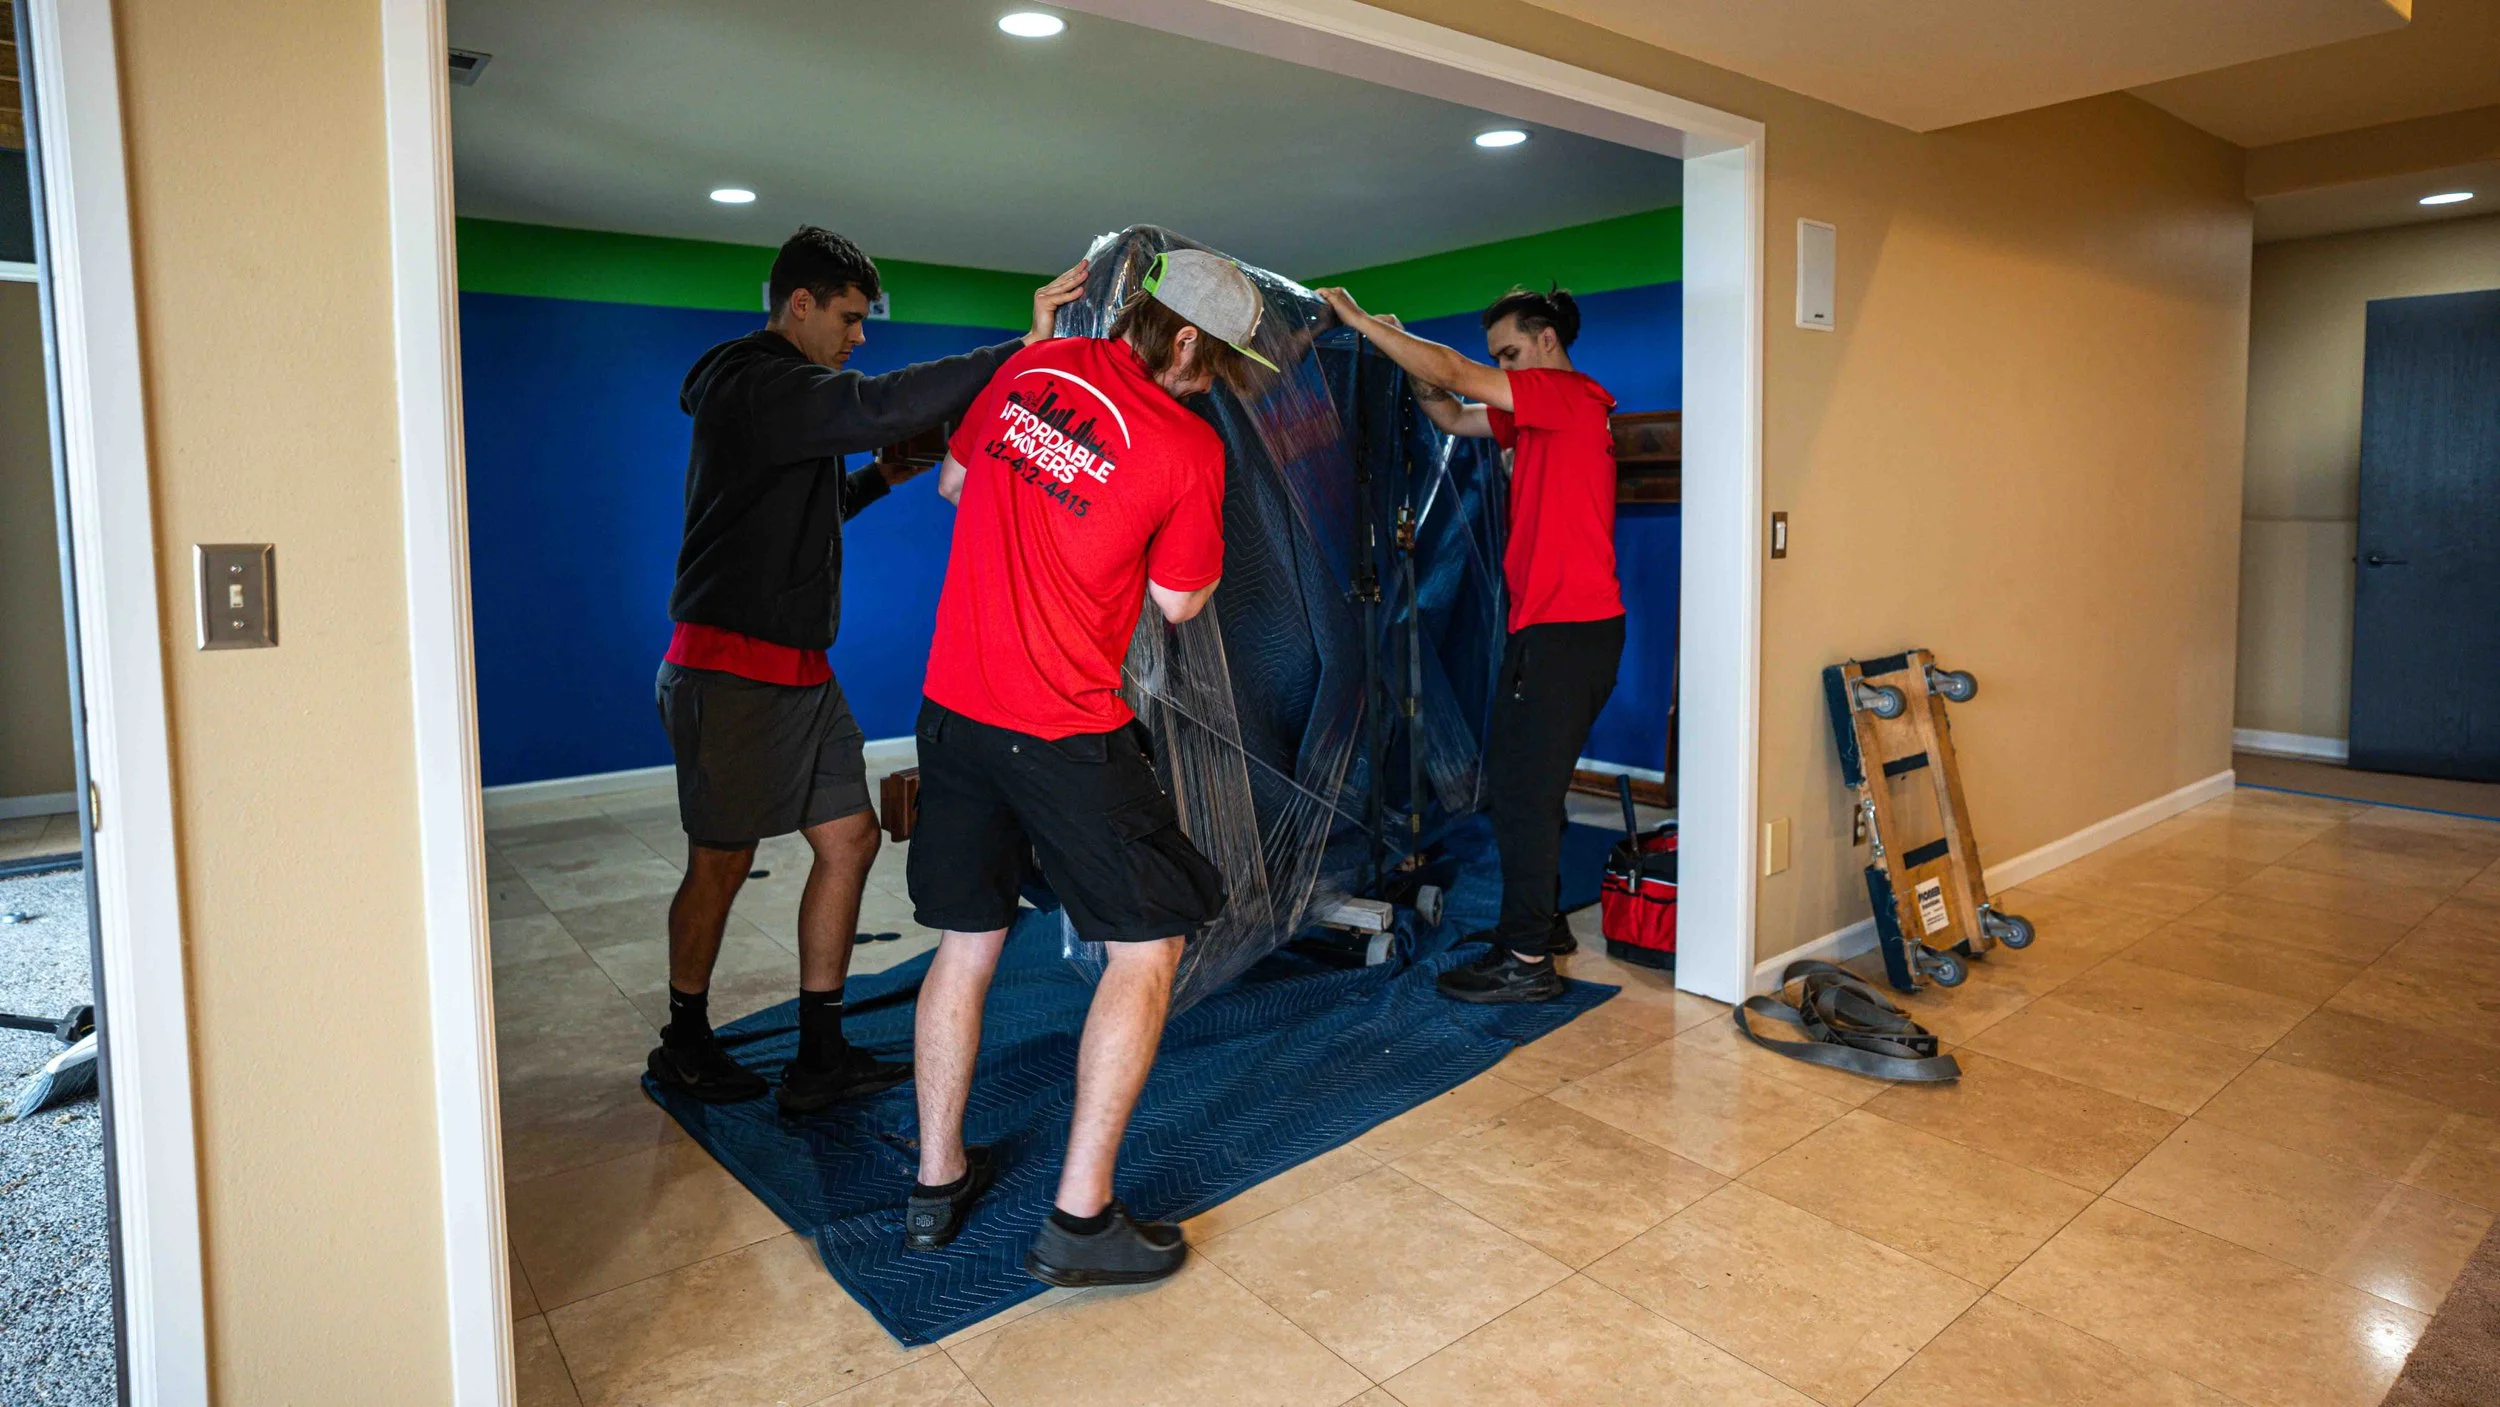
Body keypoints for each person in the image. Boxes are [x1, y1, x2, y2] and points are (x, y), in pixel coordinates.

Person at [649, 226, 1089, 1114]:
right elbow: (877, 402)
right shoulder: (756, 380)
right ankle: (684, 1039)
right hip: (730, 670)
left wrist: (882, 478)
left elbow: (798, 514)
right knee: (722, 861)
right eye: (849, 318)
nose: (859, 336)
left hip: (803, 670)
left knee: (849, 840)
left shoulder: (779, 403)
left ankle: (821, 1049)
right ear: (799, 304)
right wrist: (1024, 350)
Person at [903, 250, 1275, 1286]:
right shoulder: (1186, 445)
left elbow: (950, 483)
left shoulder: (1028, 372)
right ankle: (1079, 1219)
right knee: (1146, 950)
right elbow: (1180, 603)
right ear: (1185, 338)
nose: (1221, 386)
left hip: (953, 711)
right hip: (1062, 727)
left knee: (964, 944)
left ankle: (935, 1188)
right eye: (1222, 364)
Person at [1316, 284, 1624, 1004]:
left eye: (1510, 353)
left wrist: (1362, 320)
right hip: (1549, 630)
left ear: (1547, 341)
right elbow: (1449, 408)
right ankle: (1538, 928)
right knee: (1531, 792)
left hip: (1564, 634)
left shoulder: (1566, 396)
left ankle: (1525, 961)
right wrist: (1402, 351)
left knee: (1521, 796)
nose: (1504, 366)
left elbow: (1457, 375)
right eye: (1498, 359)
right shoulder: (1543, 416)